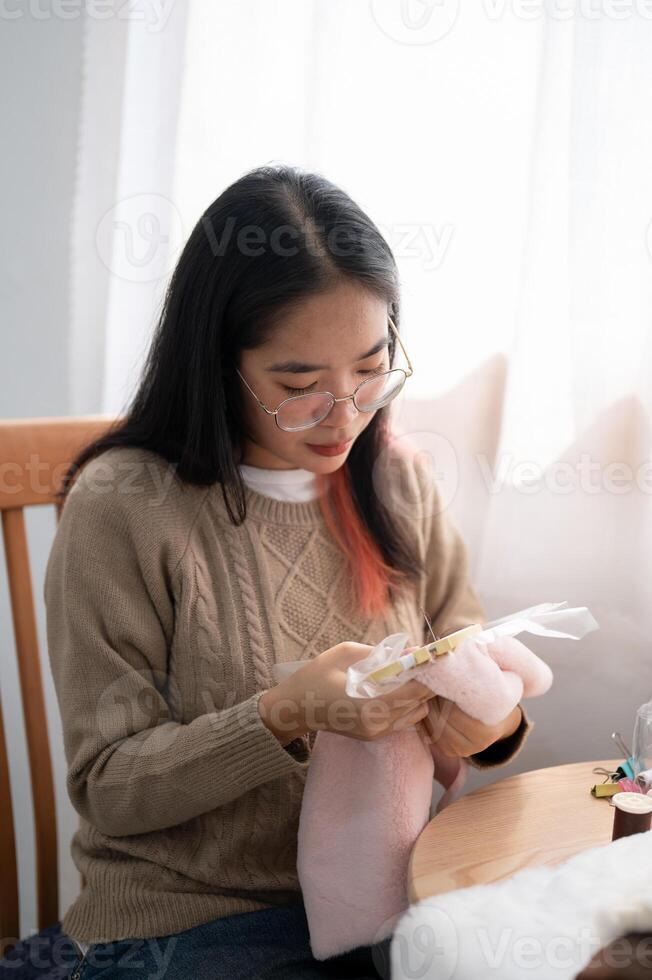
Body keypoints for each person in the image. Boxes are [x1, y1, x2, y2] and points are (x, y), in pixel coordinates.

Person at [41, 165, 530, 979]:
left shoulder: (398, 483)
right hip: (192, 920)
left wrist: (488, 725)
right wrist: (285, 714)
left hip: (387, 901)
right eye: (299, 385)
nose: (346, 413)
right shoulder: (123, 507)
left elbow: (470, 654)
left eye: (371, 369)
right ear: (217, 364)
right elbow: (110, 786)